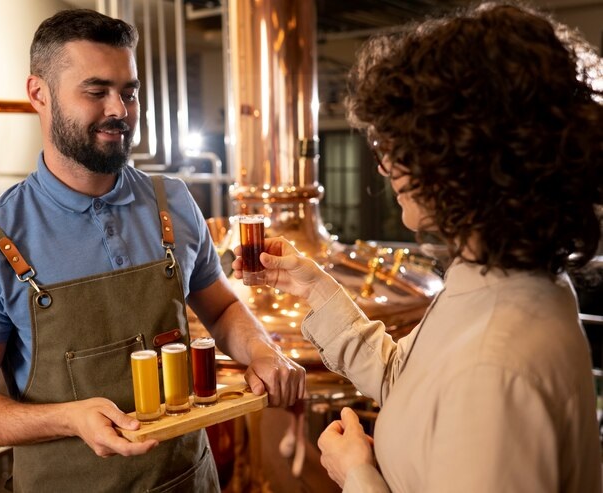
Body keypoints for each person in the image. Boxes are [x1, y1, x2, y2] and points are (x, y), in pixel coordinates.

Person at [233, 2, 603, 492]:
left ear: (471, 160)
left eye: (404, 146)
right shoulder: (500, 278)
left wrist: (358, 474)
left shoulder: (495, 365)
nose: (385, 168)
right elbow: (401, 377)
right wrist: (313, 286)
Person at [0, 9, 305, 492]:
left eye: (128, 92)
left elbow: (222, 308)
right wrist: (70, 418)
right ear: (38, 94)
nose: (120, 110)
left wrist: (261, 350)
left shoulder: (171, 201)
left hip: (188, 480)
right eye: (96, 91)